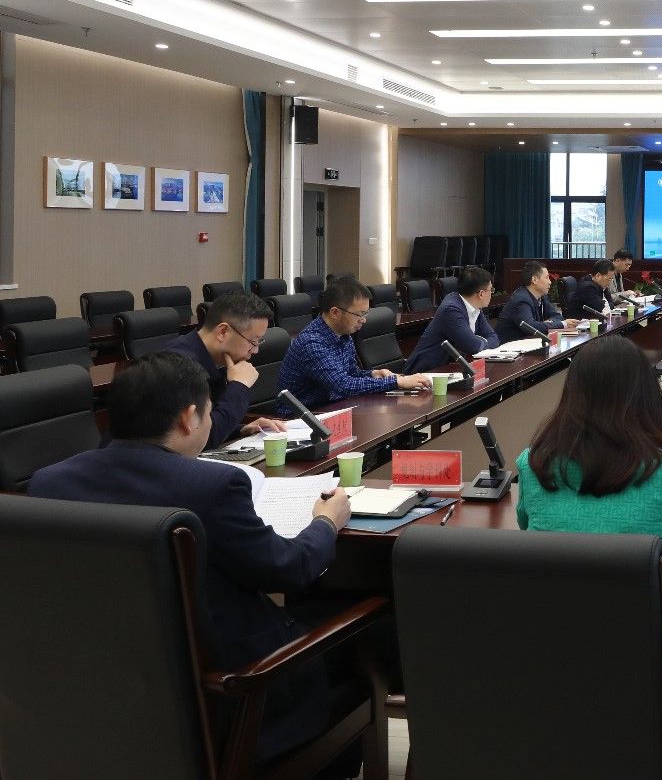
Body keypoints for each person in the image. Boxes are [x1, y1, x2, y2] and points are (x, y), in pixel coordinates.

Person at [29, 352, 353, 762]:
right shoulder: (213, 486)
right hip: (230, 696)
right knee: (370, 630)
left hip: (103, 696)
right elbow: (290, 569)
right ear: (188, 418)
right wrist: (326, 521)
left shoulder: (49, 484)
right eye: (209, 413)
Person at [517, 338, 662, 703]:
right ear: (647, 396)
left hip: (555, 682)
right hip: (654, 689)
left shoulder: (533, 465)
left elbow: (526, 527)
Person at [280, 276, 430, 408]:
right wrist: (396, 382)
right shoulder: (312, 343)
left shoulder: (344, 335)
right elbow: (343, 385)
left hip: (331, 407)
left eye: (365, 314)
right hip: (300, 417)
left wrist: (373, 374)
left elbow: (351, 374)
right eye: (359, 314)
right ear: (335, 312)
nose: (363, 320)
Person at [162, 289, 285, 447]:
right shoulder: (179, 366)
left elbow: (211, 423)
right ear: (223, 332)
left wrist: (240, 429)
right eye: (253, 341)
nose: (255, 350)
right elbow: (200, 440)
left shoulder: (216, 358)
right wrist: (239, 386)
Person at [404, 265, 499, 372]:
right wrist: (480, 341)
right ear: (481, 294)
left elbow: (494, 338)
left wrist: (478, 341)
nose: (491, 294)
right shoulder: (451, 310)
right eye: (491, 290)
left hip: (448, 369)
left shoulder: (475, 306)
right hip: (425, 372)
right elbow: (473, 346)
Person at [495, 261, 579, 342]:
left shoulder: (542, 296)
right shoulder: (521, 300)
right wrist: (562, 324)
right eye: (547, 278)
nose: (550, 282)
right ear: (534, 280)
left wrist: (546, 324)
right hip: (509, 347)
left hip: (529, 342)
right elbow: (531, 327)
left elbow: (557, 316)